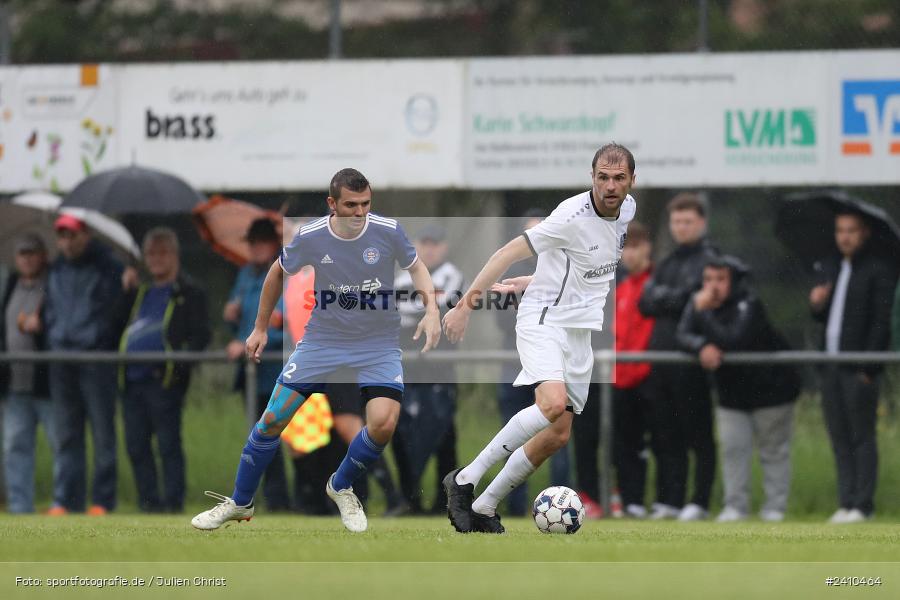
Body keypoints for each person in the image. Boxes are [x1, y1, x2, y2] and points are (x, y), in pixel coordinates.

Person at [192, 168, 441, 532]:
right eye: (351, 205)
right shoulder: (310, 236)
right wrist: (259, 327)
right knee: (274, 419)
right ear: (332, 204)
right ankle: (240, 502)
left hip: (377, 344)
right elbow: (277, 273)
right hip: (323, 341)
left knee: (383, 424)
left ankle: (340, 486)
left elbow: (417, 268)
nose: (360, 213)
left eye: (366, 204)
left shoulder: (387, 230)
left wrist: (432, 311)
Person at [441, 143, 636, 534]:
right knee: (551, 404)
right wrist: (465, 306)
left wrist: (535, 279)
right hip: (543, 319)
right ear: (591, 177)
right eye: (602, 177)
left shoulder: (627, 209)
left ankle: (484, 505)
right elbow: (504, 253)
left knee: (556, 436)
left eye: (618, 178)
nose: (610, 186)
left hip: (579, 330)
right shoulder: (570, 216)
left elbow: (584, 265)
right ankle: (464, 480)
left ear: (632, 180)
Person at [677, 255, 800, 522]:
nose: (712, 286)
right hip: (732, 394)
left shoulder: (749, 304)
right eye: (708, 279)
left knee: (773, 450)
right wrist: (701, 345)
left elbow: (733, 340)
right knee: (733, 449)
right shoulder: (701, 303)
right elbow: (683, 334)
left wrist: (703, 313)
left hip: (772, 391)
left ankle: (774, 509)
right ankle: (735, 507)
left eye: (720, 279)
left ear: (734, 282)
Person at [809, 210, 898, 523]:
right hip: (830, 365)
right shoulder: (831, 268)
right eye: (840, 230)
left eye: (851, 230)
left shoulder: (878, 270)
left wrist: (868, 367)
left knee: (862, 436)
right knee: (839, 436)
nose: (844, 236)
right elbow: (823, 318)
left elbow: (880, 322)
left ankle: (863, 505)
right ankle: (845, 502)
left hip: (858, 367)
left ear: (865, 234)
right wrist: (817, 302)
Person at [114, 228, 210, 513]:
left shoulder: (189, 292)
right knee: (136, 445)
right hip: (132, 381)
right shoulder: (138, 291)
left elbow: (200, 336)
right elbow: (114, 326)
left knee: (168, 444)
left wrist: (176, 369)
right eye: (150, 253)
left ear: (175, 255)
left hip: (164, 382)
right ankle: (148, 504)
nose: (155, 259)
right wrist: (125, 290)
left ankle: (173, 503)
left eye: (162, 252)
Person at [637, 194, 718, 521]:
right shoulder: (669, 261)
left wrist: (668, 298)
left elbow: (699, 299)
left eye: (687, 221)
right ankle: (670, 500)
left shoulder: (711, 260)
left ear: (701, 223)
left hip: (692, 362)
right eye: (676, 222)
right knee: (664, 436)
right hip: (661, 361)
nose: (681, 228)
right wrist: (682, 297)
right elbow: (647, 301)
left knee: (697, 434)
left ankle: (698, 501)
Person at [493, 210, 574, 517]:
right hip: (513, 364)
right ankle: (510, 506)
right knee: (511, 435)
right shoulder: (513, 270)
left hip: (554, 363)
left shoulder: (566, 266)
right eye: (531, 234)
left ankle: (562, 498)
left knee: (558, 432)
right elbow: (502, 320)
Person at [43, 214, 123, 515]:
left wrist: (97, 337)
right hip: (62, 359)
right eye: (62, 235)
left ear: (85, 235)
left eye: (72, 235)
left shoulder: (108, 266)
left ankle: (102, 500)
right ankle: (66, 500)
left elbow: (114, 312)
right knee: (66, 435)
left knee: (102, 434)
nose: (67, 241)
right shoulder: (56, 268)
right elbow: (51, 308)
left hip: (94, 358)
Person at [392, 223, 464, 514]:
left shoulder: (452, 274)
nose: (430, 249)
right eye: (425, 242)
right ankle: (410, 499)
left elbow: (437, 305)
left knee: (442, 436)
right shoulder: (401, 278)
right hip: (408, 371)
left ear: (444, 247)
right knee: (403, 434)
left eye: (435, 243)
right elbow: (405, 307)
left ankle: (443, 500)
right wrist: (426, 307)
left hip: (440, 371)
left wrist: (425, 308)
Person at [223, 218, 291, 511]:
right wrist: (232, 317)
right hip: (253, 373)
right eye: (253, 241)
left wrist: (259, 338)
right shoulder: (245, 276)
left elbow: (289, 327)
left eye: (264, 240)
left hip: (281, 371)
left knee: (298, 442)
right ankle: (278, 501)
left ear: (274, 243)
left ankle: (308, 499)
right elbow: (242, 324)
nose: (257, 247)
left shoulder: (288, 274)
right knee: (264, 441)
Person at [601, 221, 655, 519]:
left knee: (654, 444)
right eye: (625, 249)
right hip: (620, 377)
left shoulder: (656, 283)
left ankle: (661, 501)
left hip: (648, 376)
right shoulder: (619, 286)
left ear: (647, 248)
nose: (629, 255)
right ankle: (628, 500)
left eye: (635, 247)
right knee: (622, 445)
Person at [1, 233, 54, 514]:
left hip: (47, 383)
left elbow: (59, 322)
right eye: (23, 253)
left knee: (60, 445)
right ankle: (20, 507)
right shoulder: (10, 284)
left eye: (33, 252)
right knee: (15, 447)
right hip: (15, 384)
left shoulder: (53, 285)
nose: (28, 258)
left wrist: (43, 323)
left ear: (43, 255)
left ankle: (64, 504)